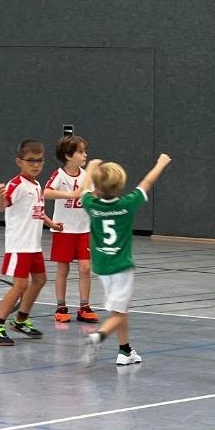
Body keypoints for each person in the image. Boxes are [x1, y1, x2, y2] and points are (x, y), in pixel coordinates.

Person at [79, 154, 172, 366]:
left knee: (119, 310)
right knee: (119, 314)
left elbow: (83, 189)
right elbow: (147, 182)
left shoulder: (91, 204)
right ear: (120, 185)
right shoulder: (128, 204)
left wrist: (91, 167)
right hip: (121, 267)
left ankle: (125, 350)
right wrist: (160, 164)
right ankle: (98, 337)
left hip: (102, 266)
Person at [0, 140, 64, 346]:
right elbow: (1, 206)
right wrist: (0, 198)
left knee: (39, 280)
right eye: (31, 161)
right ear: (19, 161)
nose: (36, 165)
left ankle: (20, 320)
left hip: (34, 245)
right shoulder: (16, 185)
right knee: (20, 285)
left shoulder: (37, 185)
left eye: (39, 161)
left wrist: (51, 224)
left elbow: (37, 211)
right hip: (19, 246)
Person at [44, 134, 98, 324]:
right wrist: (70, 194)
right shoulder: (59, 175)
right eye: (80, 152)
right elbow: (46, 192)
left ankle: (84, 306)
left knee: (85, 268)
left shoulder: (87, 176)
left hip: (83, 229)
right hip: (64, 230)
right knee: (63, 270)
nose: (85, 155)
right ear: (68, 156)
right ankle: (61, 306)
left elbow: (93, 196)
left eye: (85, 151)